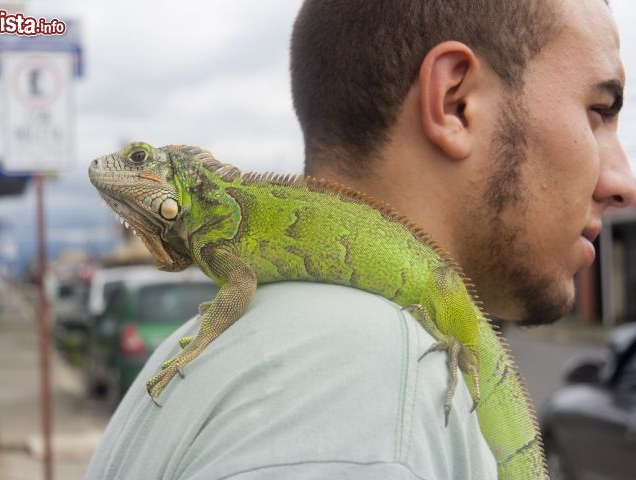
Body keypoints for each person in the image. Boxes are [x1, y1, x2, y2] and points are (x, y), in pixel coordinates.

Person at [86, 0, 636, 478]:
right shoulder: (373, 378)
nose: (623, 184)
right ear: (454, 101)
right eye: (597, 111)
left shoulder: (216, 347)